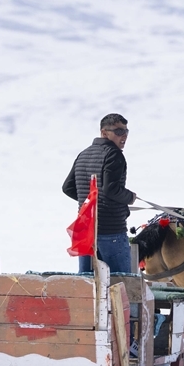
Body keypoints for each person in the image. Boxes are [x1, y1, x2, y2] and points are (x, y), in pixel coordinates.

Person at [63, 113, 137, 274]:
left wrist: (90, 202)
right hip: (111, 229)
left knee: (89, 286)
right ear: (104, 133)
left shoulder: (83, 154)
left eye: (126, 131)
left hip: (86, 230)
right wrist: (130, 197)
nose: (123, 136)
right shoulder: (114, 154)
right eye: (118, 131)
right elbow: (110, 189)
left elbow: (68, 188)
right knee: (122, 284)